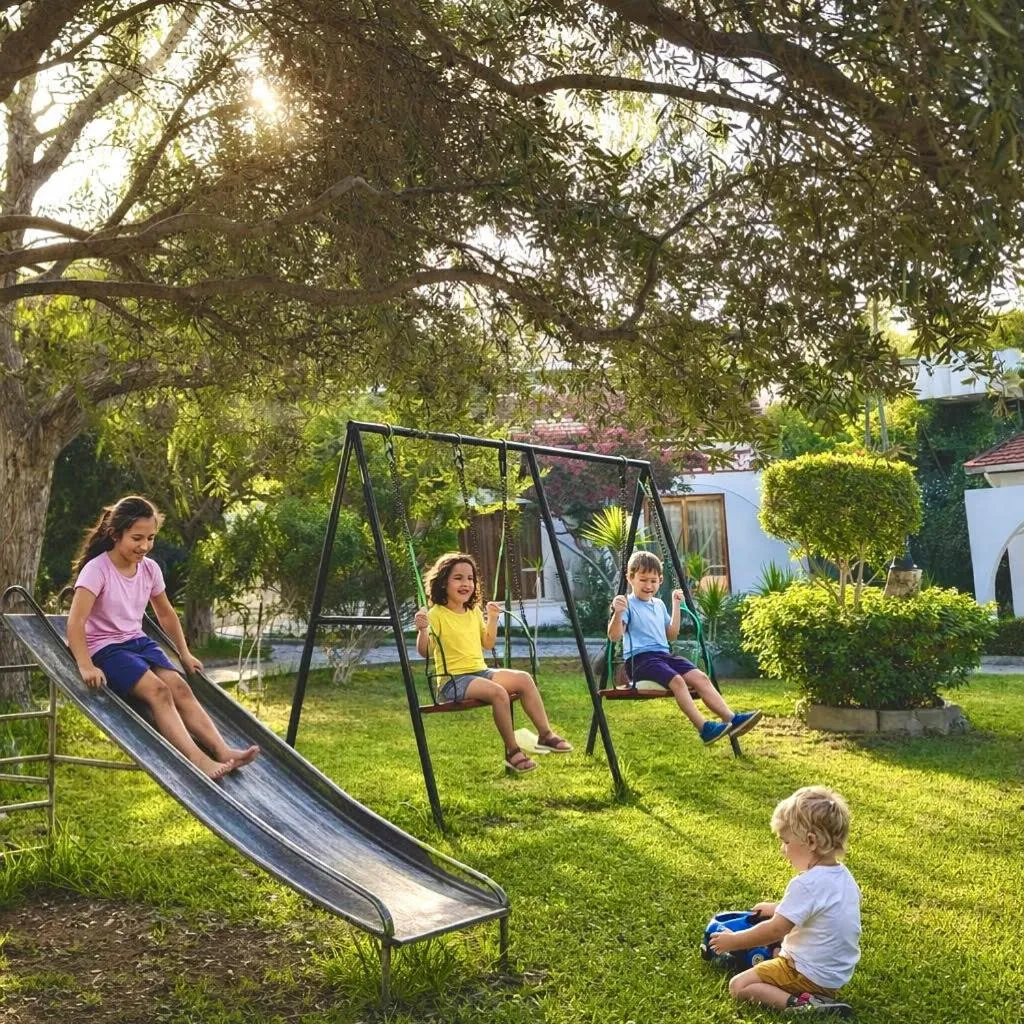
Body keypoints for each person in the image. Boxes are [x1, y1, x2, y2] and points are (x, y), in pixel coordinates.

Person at [66, 495, 259, 781]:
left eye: (151, 538)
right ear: (115, 534)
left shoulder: (149, 568)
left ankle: (222, 750)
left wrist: (184, 652)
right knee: (159, 692)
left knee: (179, 687)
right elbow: (76, 621)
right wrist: (85, 665)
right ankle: (198, 760)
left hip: (137, 641)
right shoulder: (97, 570)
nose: (144, 546)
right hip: (106, 648)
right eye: (137, 538)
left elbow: (166, 613)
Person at [709, 786, 861, 1018]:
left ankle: (802, 1004)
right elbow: (819, 913)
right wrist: (775, 908)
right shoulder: (844, 877)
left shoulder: (806, 884)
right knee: (778, 951)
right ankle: (813, 992)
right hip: (833, 977)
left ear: (810, 841)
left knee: (739, 985)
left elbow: (775, 929)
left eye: (786, 841)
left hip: (805, 973)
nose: (783, 850)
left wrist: (734, 941)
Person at [414, 551, 572, 773]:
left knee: (524, 679)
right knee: (498, 693)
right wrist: (422, 630)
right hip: (453, 682)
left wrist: (493, 618)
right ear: (443, 582)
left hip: (480, 672)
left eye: (470, 578)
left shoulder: (473, 612)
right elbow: (425, 651)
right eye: (458, 578)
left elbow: (487, 643)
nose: (465, 583)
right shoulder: (437, 614)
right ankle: (513, 751)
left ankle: (545, 734)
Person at [607, 551, 761, 745]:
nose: (648, 585)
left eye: (653, 581)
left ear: (660, 580)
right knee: (678, 681)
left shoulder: (659, 604)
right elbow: (614, 636)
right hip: (640, 661)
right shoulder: (628, 604)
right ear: (631, 578)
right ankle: (704, 728)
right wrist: (618, 613)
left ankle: (731, 718)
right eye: (643, 580)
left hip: (663, 655)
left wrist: (676, 605)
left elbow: (671, 634)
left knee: (701, 677)